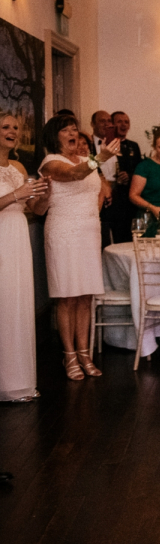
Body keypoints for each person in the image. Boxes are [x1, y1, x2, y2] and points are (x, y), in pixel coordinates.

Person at [37, 113, 119, 380]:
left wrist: (93, 215)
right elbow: (73, 175)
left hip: (88, 231)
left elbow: (100, 188)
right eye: (67, 129)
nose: (74, 131)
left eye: (75, 127)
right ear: (55, 135)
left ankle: (85, 353)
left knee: (85, 296)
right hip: (63, 231)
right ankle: (69, 355)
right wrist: (101, 158)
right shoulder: (51, 162)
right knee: (67, 295)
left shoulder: (87, 160)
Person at [0, 114, 49, 402]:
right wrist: (16, 194)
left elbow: (38, 210)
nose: (13, 132)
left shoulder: (18, 166)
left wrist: (45, 194)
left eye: (16, 128)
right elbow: (15, 198)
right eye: (6, 127)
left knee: (16, 304)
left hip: (17, 239)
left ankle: (17, 381)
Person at [102, 111, 142, 244]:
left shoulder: (133, 146)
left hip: (129, 199)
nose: (124, 125)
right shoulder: (105, 146)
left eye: (126, 122)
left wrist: (129, 176)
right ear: (112, 125)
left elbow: (139, 169)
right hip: (111, 197)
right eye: (119, 121)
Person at [90, 111, 120, 247]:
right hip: (98, 193)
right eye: (102, 121)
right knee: (101, 237)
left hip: (117, 194)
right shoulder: (88, 144)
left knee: (118, 236)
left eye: (109, 121)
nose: (107, 124)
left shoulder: (118, 144)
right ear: (93, 124)